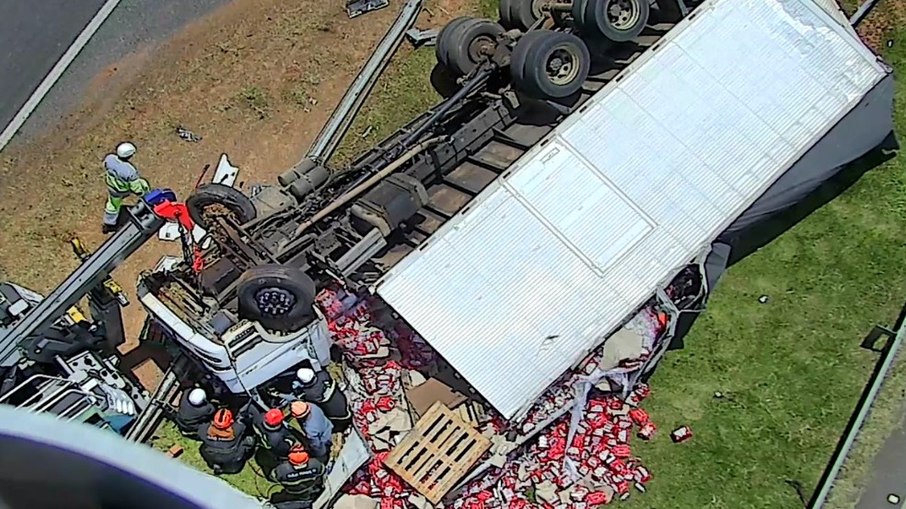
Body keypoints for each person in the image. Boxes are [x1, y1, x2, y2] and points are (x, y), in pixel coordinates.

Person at [102, 142, 151, 234]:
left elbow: (105, 166)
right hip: (122, 189)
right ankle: (149, 203)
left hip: (112, 187)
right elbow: (135, 186)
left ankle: (109, 223)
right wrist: (141, 193)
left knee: (112, 205)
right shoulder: (129, 170)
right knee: (143, 184)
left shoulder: (110, 158)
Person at [198, 408, 255, 475]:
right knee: (249, 440)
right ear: (230, 421)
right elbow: (243, 423)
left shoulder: (204, 430)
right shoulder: (237, 429)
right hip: (234, 467)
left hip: (213, 458)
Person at [252, 408, 300, 479]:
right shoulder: (277, 437)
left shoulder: (259, 418)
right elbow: (285, 449)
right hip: (272, 451)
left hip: (261, 442)